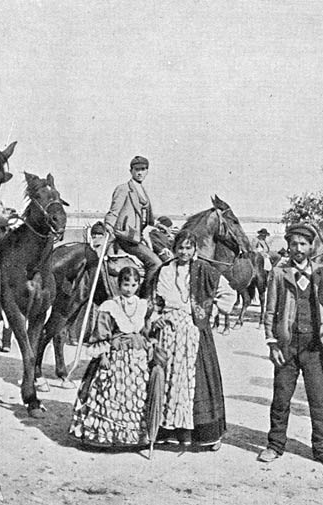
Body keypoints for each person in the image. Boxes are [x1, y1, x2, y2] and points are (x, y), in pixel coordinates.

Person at [257, 223, 323, 468]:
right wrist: (272, 343)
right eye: (294, 244)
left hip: (314, 347)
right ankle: (274, 445)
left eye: (303, 244)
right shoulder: (278, 273)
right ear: (288, 245)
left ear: (310, 246)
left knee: (318, 400)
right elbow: (270, 311)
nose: (298, 249)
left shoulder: (322, 273)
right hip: (287, 346)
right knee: (281, 398)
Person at [152, 229, 236, 449]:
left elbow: (228, 293)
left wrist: (211, 312)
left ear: (195, 249)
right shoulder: (165, 270)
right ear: (174, 248)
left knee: (197, 382)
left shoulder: (205, 270)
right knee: (168, 379)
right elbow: (156, 301)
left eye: (189, 247)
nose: (184, 252)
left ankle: (203, 435)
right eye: (180, 247)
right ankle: (167, 432)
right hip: (169, 333)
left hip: (194, 331)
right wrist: (156, 318)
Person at [69, 266, 151, 447]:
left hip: (136, 356)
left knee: (133, 393)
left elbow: (145, 329)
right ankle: (106, 434)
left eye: (133, 285)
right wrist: (103, 355)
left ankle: (131, 436)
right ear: (119, 284)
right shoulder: (110, 306)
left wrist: (148, 343)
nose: (129, 289)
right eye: (125, 284)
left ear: (138, 285)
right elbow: (102, 332)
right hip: (116, 354)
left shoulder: (142, 305)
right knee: (111, 391)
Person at [104, 155, 162, 298]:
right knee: (155, 263)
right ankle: (145, 298)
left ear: (147, 171)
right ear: (131, 171)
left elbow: (146, 217)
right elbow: (114, 211)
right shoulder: (123, 189)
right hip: (126, 236)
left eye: (143, 169)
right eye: (137, 170)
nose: (140, 173)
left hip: (140, 236)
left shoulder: (143, 191)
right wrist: (109, 225)